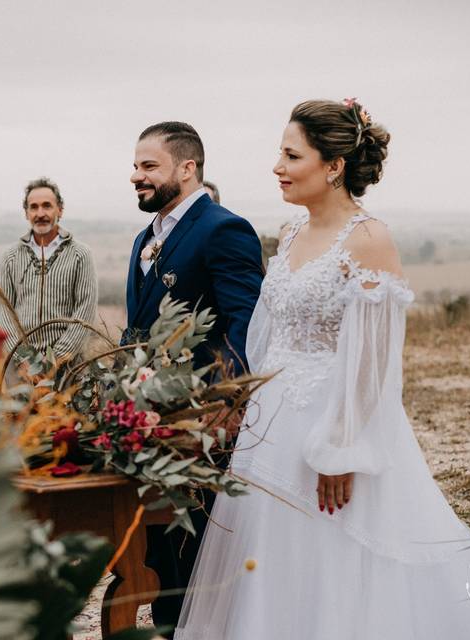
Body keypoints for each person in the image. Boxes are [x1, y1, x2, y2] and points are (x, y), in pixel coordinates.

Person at [174, 100, 470, 639]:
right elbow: (267, 332)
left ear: (333, 166)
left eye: (290, 154)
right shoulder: (291, 232)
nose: (276, 166)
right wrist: (239, 402)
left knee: (338, 554)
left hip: (333, 421)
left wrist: (342, 446)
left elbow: (373, 362)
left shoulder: (369, 240)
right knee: (271, 558)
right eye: (279, 152)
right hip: (272, 429)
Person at [123, 121, 263, 631]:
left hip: (203, 422)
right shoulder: (147, 234)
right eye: (136, 165)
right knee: (160, 551)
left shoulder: (223, 228)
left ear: (188, 168)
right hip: (150, 418)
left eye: (148, 166)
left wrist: (223, 400)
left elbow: (246, 323)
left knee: (196, 545)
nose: (135, 175)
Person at [0, 177, 97, 365]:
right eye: (33, 207)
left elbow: (85, 311)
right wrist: (22, 360)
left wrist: (55, 360)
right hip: (20, 369)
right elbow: (3, 314)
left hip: (69, 368)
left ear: (60, 210)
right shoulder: (10, 257)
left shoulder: (80, 254)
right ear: (26, 213)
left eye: (47, 206)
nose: (40, 213)